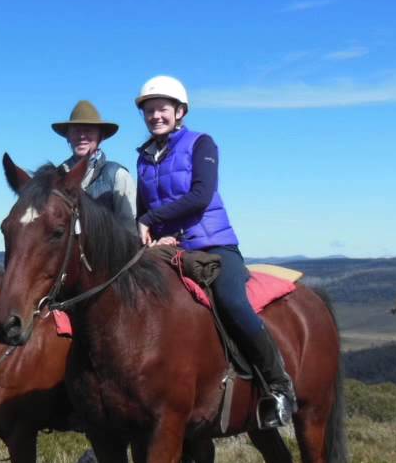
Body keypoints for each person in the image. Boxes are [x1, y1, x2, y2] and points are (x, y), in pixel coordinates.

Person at [133, 75, 296, 428]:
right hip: (169, 250)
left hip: (214, 245)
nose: (155, 116)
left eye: (162, 109)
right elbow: (141, 211)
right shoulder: (143, 158)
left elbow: (200, 195)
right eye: (149, 111)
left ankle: (278, 385)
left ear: (179, 111)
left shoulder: (201, 143)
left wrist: (154, 221)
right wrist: (148, 234)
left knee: (233, 302)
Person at [52, 100, 136, 225]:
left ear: (100, 137)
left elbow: (129, 229)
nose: (82, 136)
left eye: (88, 130)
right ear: (68, 137)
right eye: (76, 131)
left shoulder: (118, 175)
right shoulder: (56, 177)